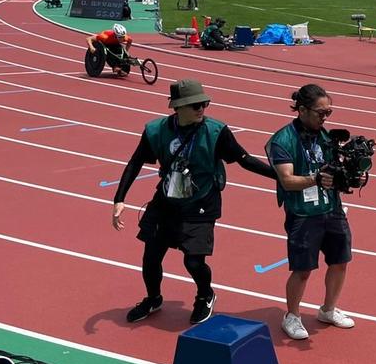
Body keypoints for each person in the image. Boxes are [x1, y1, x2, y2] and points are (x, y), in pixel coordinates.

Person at [112, 80, 276, 324]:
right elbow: (135, 162)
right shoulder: (156, 131)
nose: (202, 108)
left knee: (193, 260)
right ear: (177, 107)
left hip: (202, 201)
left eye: (204, 103)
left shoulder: (216, 131)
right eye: (196, 104)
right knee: (151, 256)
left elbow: (245, 160)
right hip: (166, 199)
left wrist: (280, 176)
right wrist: (119, 199)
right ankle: (153, 298)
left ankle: (205, 295)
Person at [265, 85, 358, 339]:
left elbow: (334, 173)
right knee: (303, 269)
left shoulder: (327, 138)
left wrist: (350, 177)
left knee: (340, 262)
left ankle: (328, 309)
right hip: (303, 213)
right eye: (320, 112)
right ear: (302, 109)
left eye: (329, 112)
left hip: (332, 208)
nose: (325, 117)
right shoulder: (283, 140)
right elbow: (286, 180)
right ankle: (292, 316)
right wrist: (315, 179)